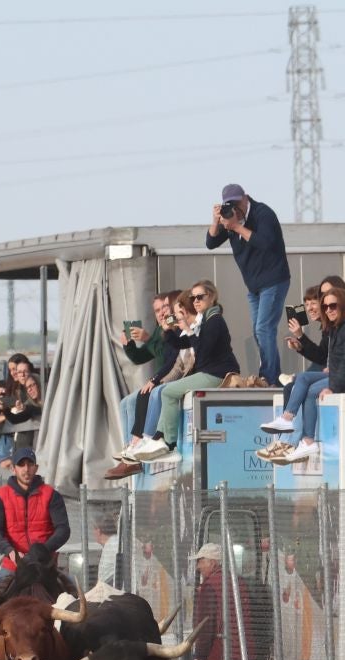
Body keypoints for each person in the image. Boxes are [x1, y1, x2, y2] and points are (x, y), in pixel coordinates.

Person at [131, 281, 239, 465]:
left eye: (199, 297)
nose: (195, 301)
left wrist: (188, 330)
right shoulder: (206, 321)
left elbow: (202, 350)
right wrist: (168, 331)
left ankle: (167, 443)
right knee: (167, 391)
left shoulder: (215, 321)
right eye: (193, 298)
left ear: (211, 297)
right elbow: (181, 345)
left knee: (168, 391)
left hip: (219, 374)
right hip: (210, 372)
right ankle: (162, 441)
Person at [205, 182, 290, 386]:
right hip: (254, 287)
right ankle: (273, 375)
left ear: (245, 197)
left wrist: (236, 226)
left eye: (236, 203)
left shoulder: (263, 214)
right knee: (258, 330)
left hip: (274, 280)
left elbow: (265, 243)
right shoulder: (230, 218)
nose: (234, 208)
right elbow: (210, 243)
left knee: (264, 328)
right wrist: (216, 221)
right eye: (228, 204)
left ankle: (269, 377)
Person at [0, 447, 69, 611]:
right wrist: (10, 552)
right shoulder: (0, 496)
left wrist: (41, 551)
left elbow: (63, 529)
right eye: (21, 465)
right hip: (12, 567)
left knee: (79, 604)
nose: (26, 469)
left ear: (36, 467)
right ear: (13, 468)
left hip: (46, 567)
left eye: (30, 464)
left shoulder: (51, 495)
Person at [257, 282, 334, 466]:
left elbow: (323, 356)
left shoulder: (335, 325)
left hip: (340, 373)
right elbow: (321, 355)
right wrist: (300, 342)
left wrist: (301, 337)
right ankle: (286, 440)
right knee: (293, 385)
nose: (309, 308)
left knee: (297, 384)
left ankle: (289, 443)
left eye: (313, 303)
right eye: (306, 305)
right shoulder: (326, 326)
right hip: (331, 370)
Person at [115, 290, 179, 455]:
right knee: (125, 402)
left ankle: (140, 443)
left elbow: (169, 356)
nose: (161, 313)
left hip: (169, 377)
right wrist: (128, 344)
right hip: (161, 377)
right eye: (157, 310)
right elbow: (139, 358)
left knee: (140, 398)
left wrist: (148, 339)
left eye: (164, 308)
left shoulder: (174, 324)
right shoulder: (160, 330)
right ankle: (130, 445)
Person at [190, 541, 249, 660]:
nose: (198, 567)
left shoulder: (209, 587)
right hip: (240, 656)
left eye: (201, 562)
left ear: (213, 563)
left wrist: (200, 656)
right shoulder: (238, 582)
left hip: (216, 657)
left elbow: (206, 627)